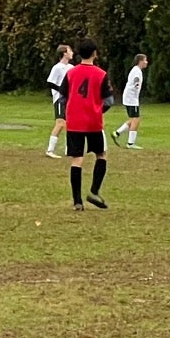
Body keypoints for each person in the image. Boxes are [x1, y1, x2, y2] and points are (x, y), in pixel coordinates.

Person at [63, 40, 113, 211]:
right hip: (93, 121)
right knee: (101, 154)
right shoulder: (101, 74)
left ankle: (77, 201)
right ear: (94, 53)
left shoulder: (71, 73)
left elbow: (63, 97)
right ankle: (94, 191)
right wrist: (99, 110)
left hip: (74, 121)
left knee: (77, 159)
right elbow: (109, 101)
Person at [44, 44, 74, 159]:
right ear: (64, 53)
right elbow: (50, 83)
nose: (72, 53)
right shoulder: (57, 67)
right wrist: (62, 91)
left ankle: (69, 149)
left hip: (70, 100)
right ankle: (50, 150)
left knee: (70, 124)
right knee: (60, 123)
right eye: (70, 51)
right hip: (60, 99)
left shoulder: (71, 67)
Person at [113, 54, 148, 150]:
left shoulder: (135, 70)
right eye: (145, 60)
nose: (146, 62)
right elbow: (136, 81)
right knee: (136, 120)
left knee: (133, 119)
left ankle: (117, 133)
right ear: (140, 61)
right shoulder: (137, 71)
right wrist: (136, 86)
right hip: (132, 98)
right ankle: (130, 143)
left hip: (129, 98)